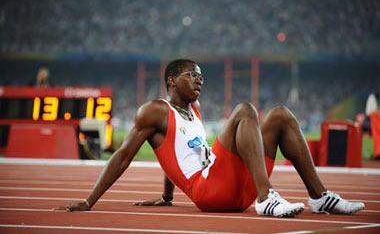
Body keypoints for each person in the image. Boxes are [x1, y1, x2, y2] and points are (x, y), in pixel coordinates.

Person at [58, 59, 364, 217]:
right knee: (245, 109)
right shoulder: (154, 110)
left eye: (201, 75)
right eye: (192, 74)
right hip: (209, 192)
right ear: (172, 81)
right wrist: (89, 200)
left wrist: (167, 197)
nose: (199, 79)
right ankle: (266, 197)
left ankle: (320, 197)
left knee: (281, 115)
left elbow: (176, 149)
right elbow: (123, 155)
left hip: (233, 187)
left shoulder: (196, 109)